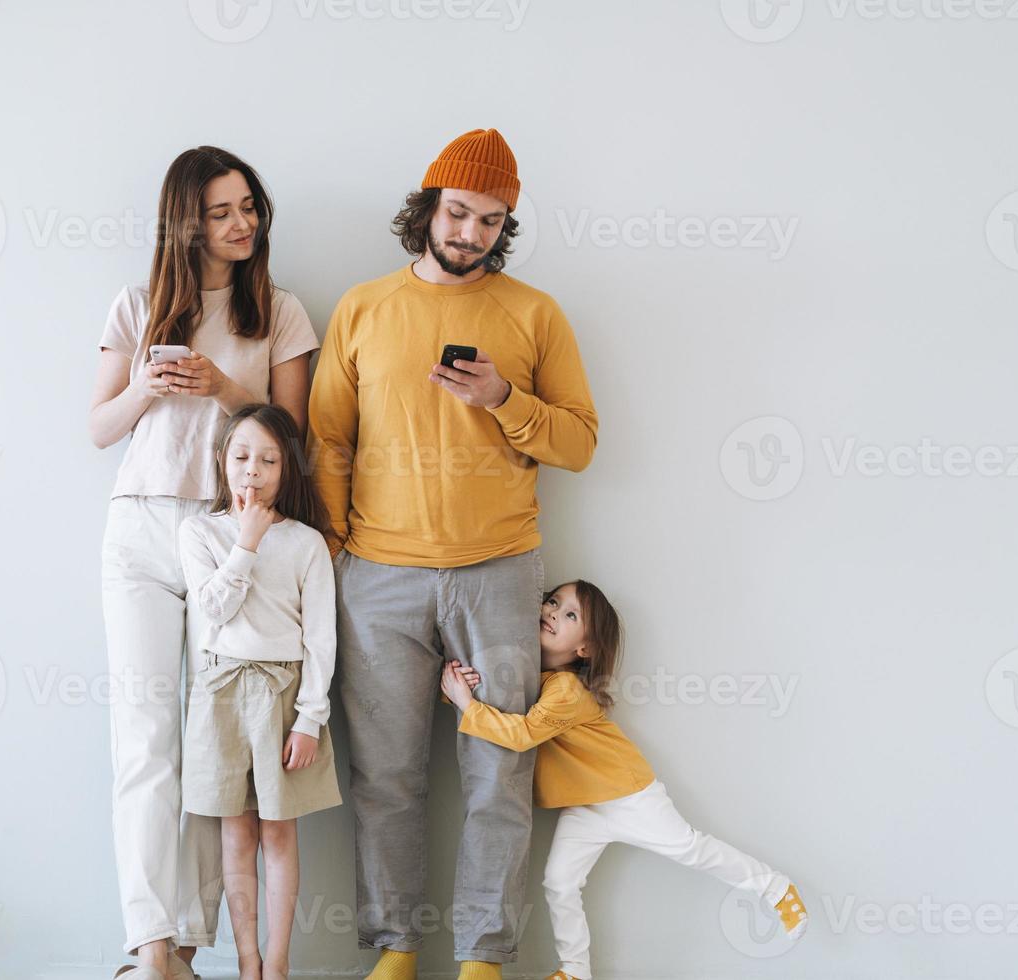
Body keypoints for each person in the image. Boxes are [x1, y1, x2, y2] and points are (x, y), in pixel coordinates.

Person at [308, 128, 598, 980]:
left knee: (497, 778)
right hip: (377, 578)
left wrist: (506, 400)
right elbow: (327, 439)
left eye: (490, 220)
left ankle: (483, 961)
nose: (469, 232)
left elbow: (580, 442)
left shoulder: (534, 313)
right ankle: (396, 951)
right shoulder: (364, 307)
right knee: (387, 778)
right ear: (429, 206)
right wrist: (332, 554)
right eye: (459, 211)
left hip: (500, 573)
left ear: (505, 226)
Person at [89, 146, 318, 980]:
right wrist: (152, 384)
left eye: (250, 207)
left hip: (234, 533)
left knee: (214, 741)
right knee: (144, 737)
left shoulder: (281, 313)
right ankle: (152, 946)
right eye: (223, 211)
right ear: (186, 218)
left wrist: (225, 387)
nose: (242, 223)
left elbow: (291, 439)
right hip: (142, 530)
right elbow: (100, 427)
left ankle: (189, 941)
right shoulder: (138, 303)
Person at [440, 581, 809, 980]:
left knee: (690, 848)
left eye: (570, 615)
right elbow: (503, 710)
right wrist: (463, 689)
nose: (551, 612)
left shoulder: (565, 689)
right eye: (552, 602)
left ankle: (776, 888)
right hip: (584, 805)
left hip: (628, 795)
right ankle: (576, 971)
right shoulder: (532, 679)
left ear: (585, 648)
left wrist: (465, 703)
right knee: (559, 883)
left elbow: (521, 733)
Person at [178, 404, 342, 980]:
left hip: (283, 694)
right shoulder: (199, 532)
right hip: (221, 691)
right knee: (235, 833)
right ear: (223, 459)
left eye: (269, 459)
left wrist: (309, 719)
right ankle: (247, 962)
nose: (253, 469)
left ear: (286, 469)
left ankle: (277, 965)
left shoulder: (305, 543)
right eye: (242, 455)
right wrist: (245, 542)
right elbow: (215, 611)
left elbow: (322, 638)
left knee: (278, 831)